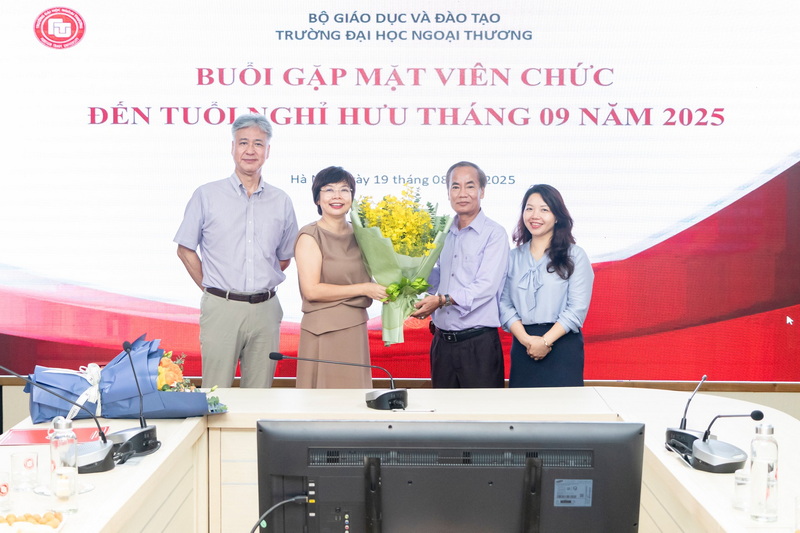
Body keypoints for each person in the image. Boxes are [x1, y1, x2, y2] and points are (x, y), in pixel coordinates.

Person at [173, 113, 298, 388]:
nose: (250, 150)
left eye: (258, 144)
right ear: (232, 148)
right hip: (222, 307)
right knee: (216, 392)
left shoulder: (281, 200)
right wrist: (211, 287)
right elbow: (185, 249)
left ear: (268, 151)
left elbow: (283, 258)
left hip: (266, 310)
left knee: (260, 393)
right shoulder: (207, 195)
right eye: (243, 143)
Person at [411, 161, 509, 388]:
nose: (462, 193)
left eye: (470, 186)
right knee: (443, 409)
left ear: (482, 191)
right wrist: (409, 274)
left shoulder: (494, 234)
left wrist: (441, 300)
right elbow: (439, 278)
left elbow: (486, 286)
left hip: (478, 345)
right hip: (442, 344)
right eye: (455, 186)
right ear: (448, 193)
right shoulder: (442, 233)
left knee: (482, 411)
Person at [294, 166, 387, 388]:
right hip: (322, 330)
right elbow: (312, 290)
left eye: (344, 190)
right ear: (317, 199)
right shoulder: (310, 236)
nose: (337, 196)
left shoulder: (363, 234)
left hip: (355, 327)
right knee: (323, 402)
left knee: (354, 401)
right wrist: (365, 288)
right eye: (329, 190)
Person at [499, 184, 594, 387]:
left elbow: (577, 309)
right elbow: (503, 304)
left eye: (544, 209)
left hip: (562, 345)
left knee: (563, 405)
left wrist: (544, 342)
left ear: (557, 216)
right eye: (529, 208)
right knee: (522, 406)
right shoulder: (512, 257)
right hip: (523, 345)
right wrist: (527, 341)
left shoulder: (575, 256)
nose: (535, 215)